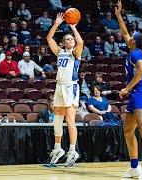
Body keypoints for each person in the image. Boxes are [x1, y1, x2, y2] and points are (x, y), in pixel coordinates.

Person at [115, 1, 142, 179]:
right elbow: (124, 32)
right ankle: (135, 167)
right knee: (127, 130)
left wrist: (127, 88)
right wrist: (118, 15)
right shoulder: (134, 48)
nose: (129, 36)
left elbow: (140, 72)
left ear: (135, 41)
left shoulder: (136, 53)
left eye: (133, 35)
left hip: (141, 91)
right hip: (135, 94)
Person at [46, 12, 83, 167]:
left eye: (71, 39)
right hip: (59, 86)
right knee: (57, 120)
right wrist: (56, 24)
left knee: (69, 120)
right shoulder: (60, 52)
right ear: (63, 43)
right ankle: (57, 148)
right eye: (68, 39)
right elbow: (49, 38)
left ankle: (73, 150)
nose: (71, 40)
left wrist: (73, 28)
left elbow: (80, 42)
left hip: (70, 87)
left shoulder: (76, 53)